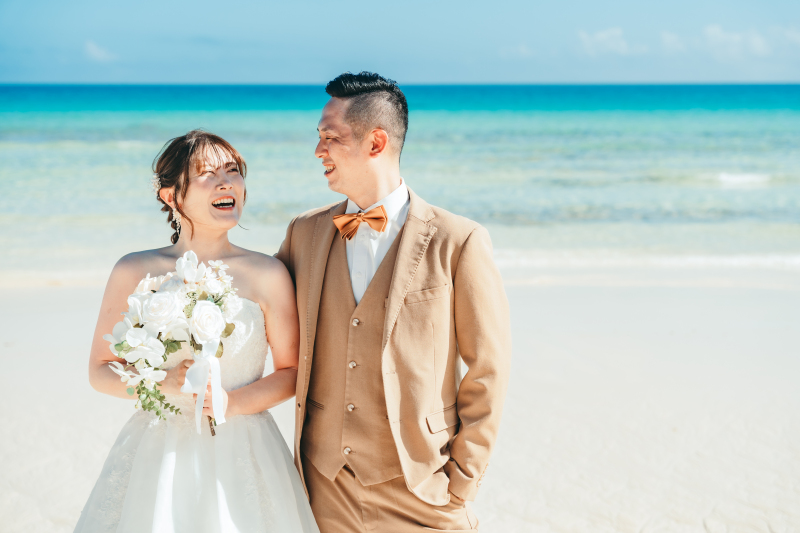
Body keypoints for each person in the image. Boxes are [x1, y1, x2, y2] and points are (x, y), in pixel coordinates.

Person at [276, 72, 512, 532]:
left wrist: (461, 483)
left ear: (376, 141)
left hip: (423, 491)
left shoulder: (457, 240)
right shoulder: (303, 233)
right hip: (324, 489)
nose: (318, 151)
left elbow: (489, 368)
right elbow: (254, 309)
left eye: (330, 138)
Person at [75, 130, 319, 533]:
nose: (227, 182)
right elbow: (100, 370)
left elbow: (291, 372)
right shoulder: (133, 269)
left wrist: (232, 402)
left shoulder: (269, 273)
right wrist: (161, 384)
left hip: (245, 447)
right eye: (207, 173)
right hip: (156, 447)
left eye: (233, 170)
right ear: (171, 196)